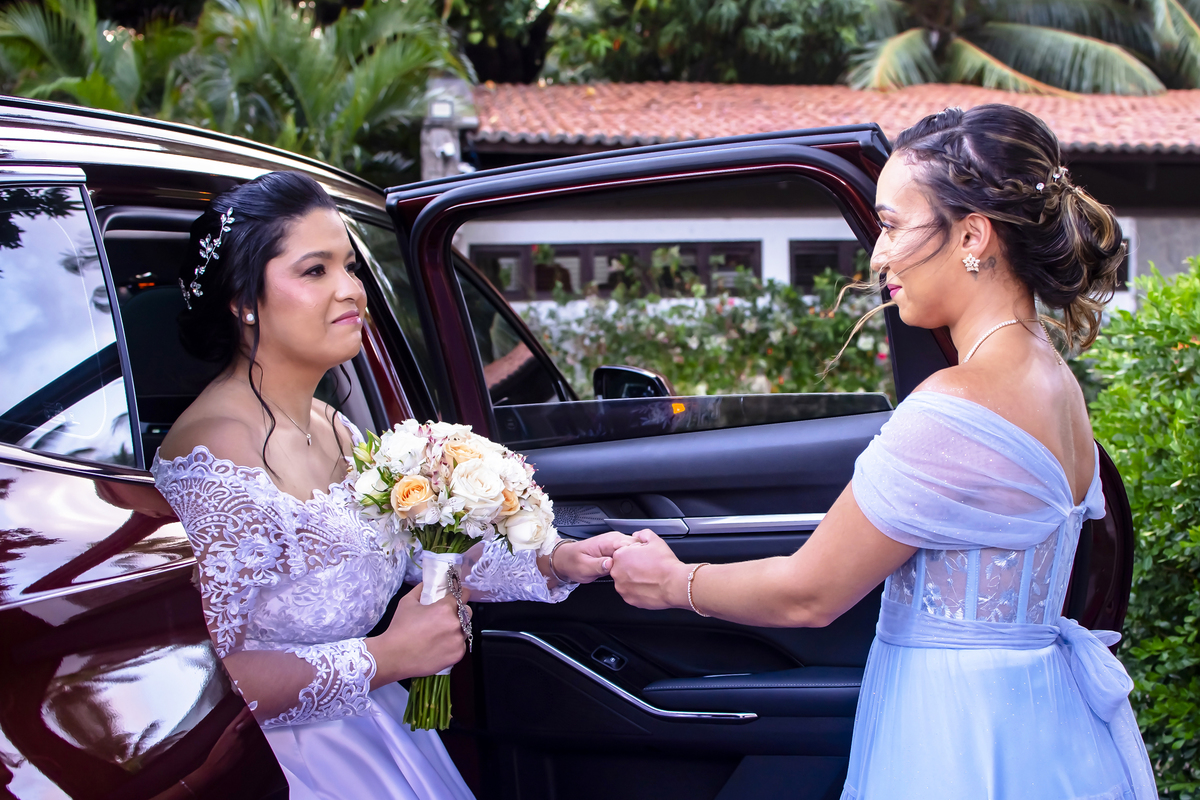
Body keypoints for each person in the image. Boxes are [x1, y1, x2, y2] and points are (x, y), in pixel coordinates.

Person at [609, 105, 1158, 800]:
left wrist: (669, 582)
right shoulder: (1052, 378)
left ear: (972, 235)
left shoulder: (955, 405)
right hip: (1044, 716)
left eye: (894, 225)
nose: (877, 255)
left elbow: (808, 594)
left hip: (953, 730)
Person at [152, 171, 629, 800]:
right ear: (243, 301)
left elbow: (410, 552)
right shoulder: (213, 460)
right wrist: (387, 657)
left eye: (348, 267)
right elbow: (202, 683)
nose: (352, 290)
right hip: (281, 769)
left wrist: (556, 560)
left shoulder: (339, 427)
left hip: (371, 734)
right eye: (314, 271)